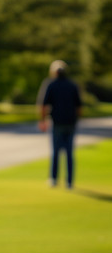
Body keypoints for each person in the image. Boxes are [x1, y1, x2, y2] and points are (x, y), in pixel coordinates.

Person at [37, 59, 83, 188]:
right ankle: (69, 181)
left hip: (57, 123)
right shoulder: (72, 85)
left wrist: (42, 120)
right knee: (69, 152)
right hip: (70, 122)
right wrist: (76, 120)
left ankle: (54, 179)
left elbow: (43, 105)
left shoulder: (51, 84)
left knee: (56, 152)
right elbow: (79, 107)